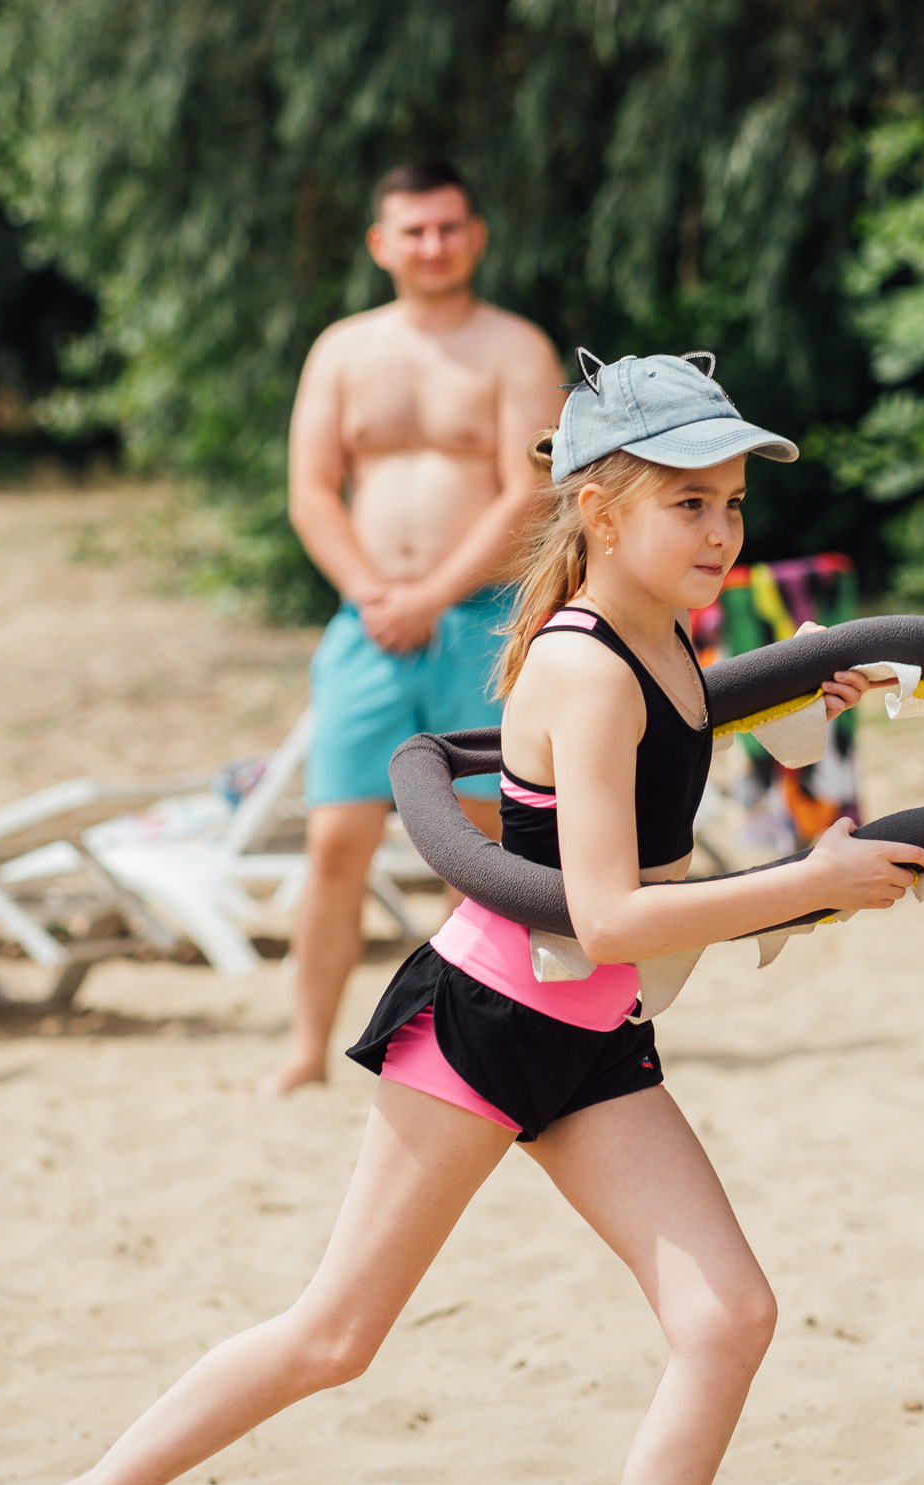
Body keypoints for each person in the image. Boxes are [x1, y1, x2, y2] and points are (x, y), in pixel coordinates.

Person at [0, 351, 924, 1485]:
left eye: (731, 504)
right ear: (602, 508)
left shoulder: (672, 629)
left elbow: (691, 749)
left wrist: (796, 715)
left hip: (596, 1040)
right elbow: (605, 910)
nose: (722, 533)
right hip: (491, 1018)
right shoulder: (588, 665)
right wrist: (815, 881)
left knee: (729, 1315)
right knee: (335, 1335)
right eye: (690, 505)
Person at [256, 158, 566, 1097]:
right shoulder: (343, 350)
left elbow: (531, 488)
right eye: (414, 230)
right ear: (381, 244)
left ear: (474, 236)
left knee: (481, 844)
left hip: (479, 619)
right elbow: (311, 491)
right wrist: (376, 594)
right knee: (335, 841)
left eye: (448, 228)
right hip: (369, 621)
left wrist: (432, 593)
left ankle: (476, 1041)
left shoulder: (518, 349)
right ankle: (306, 1051)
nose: (432, 245)